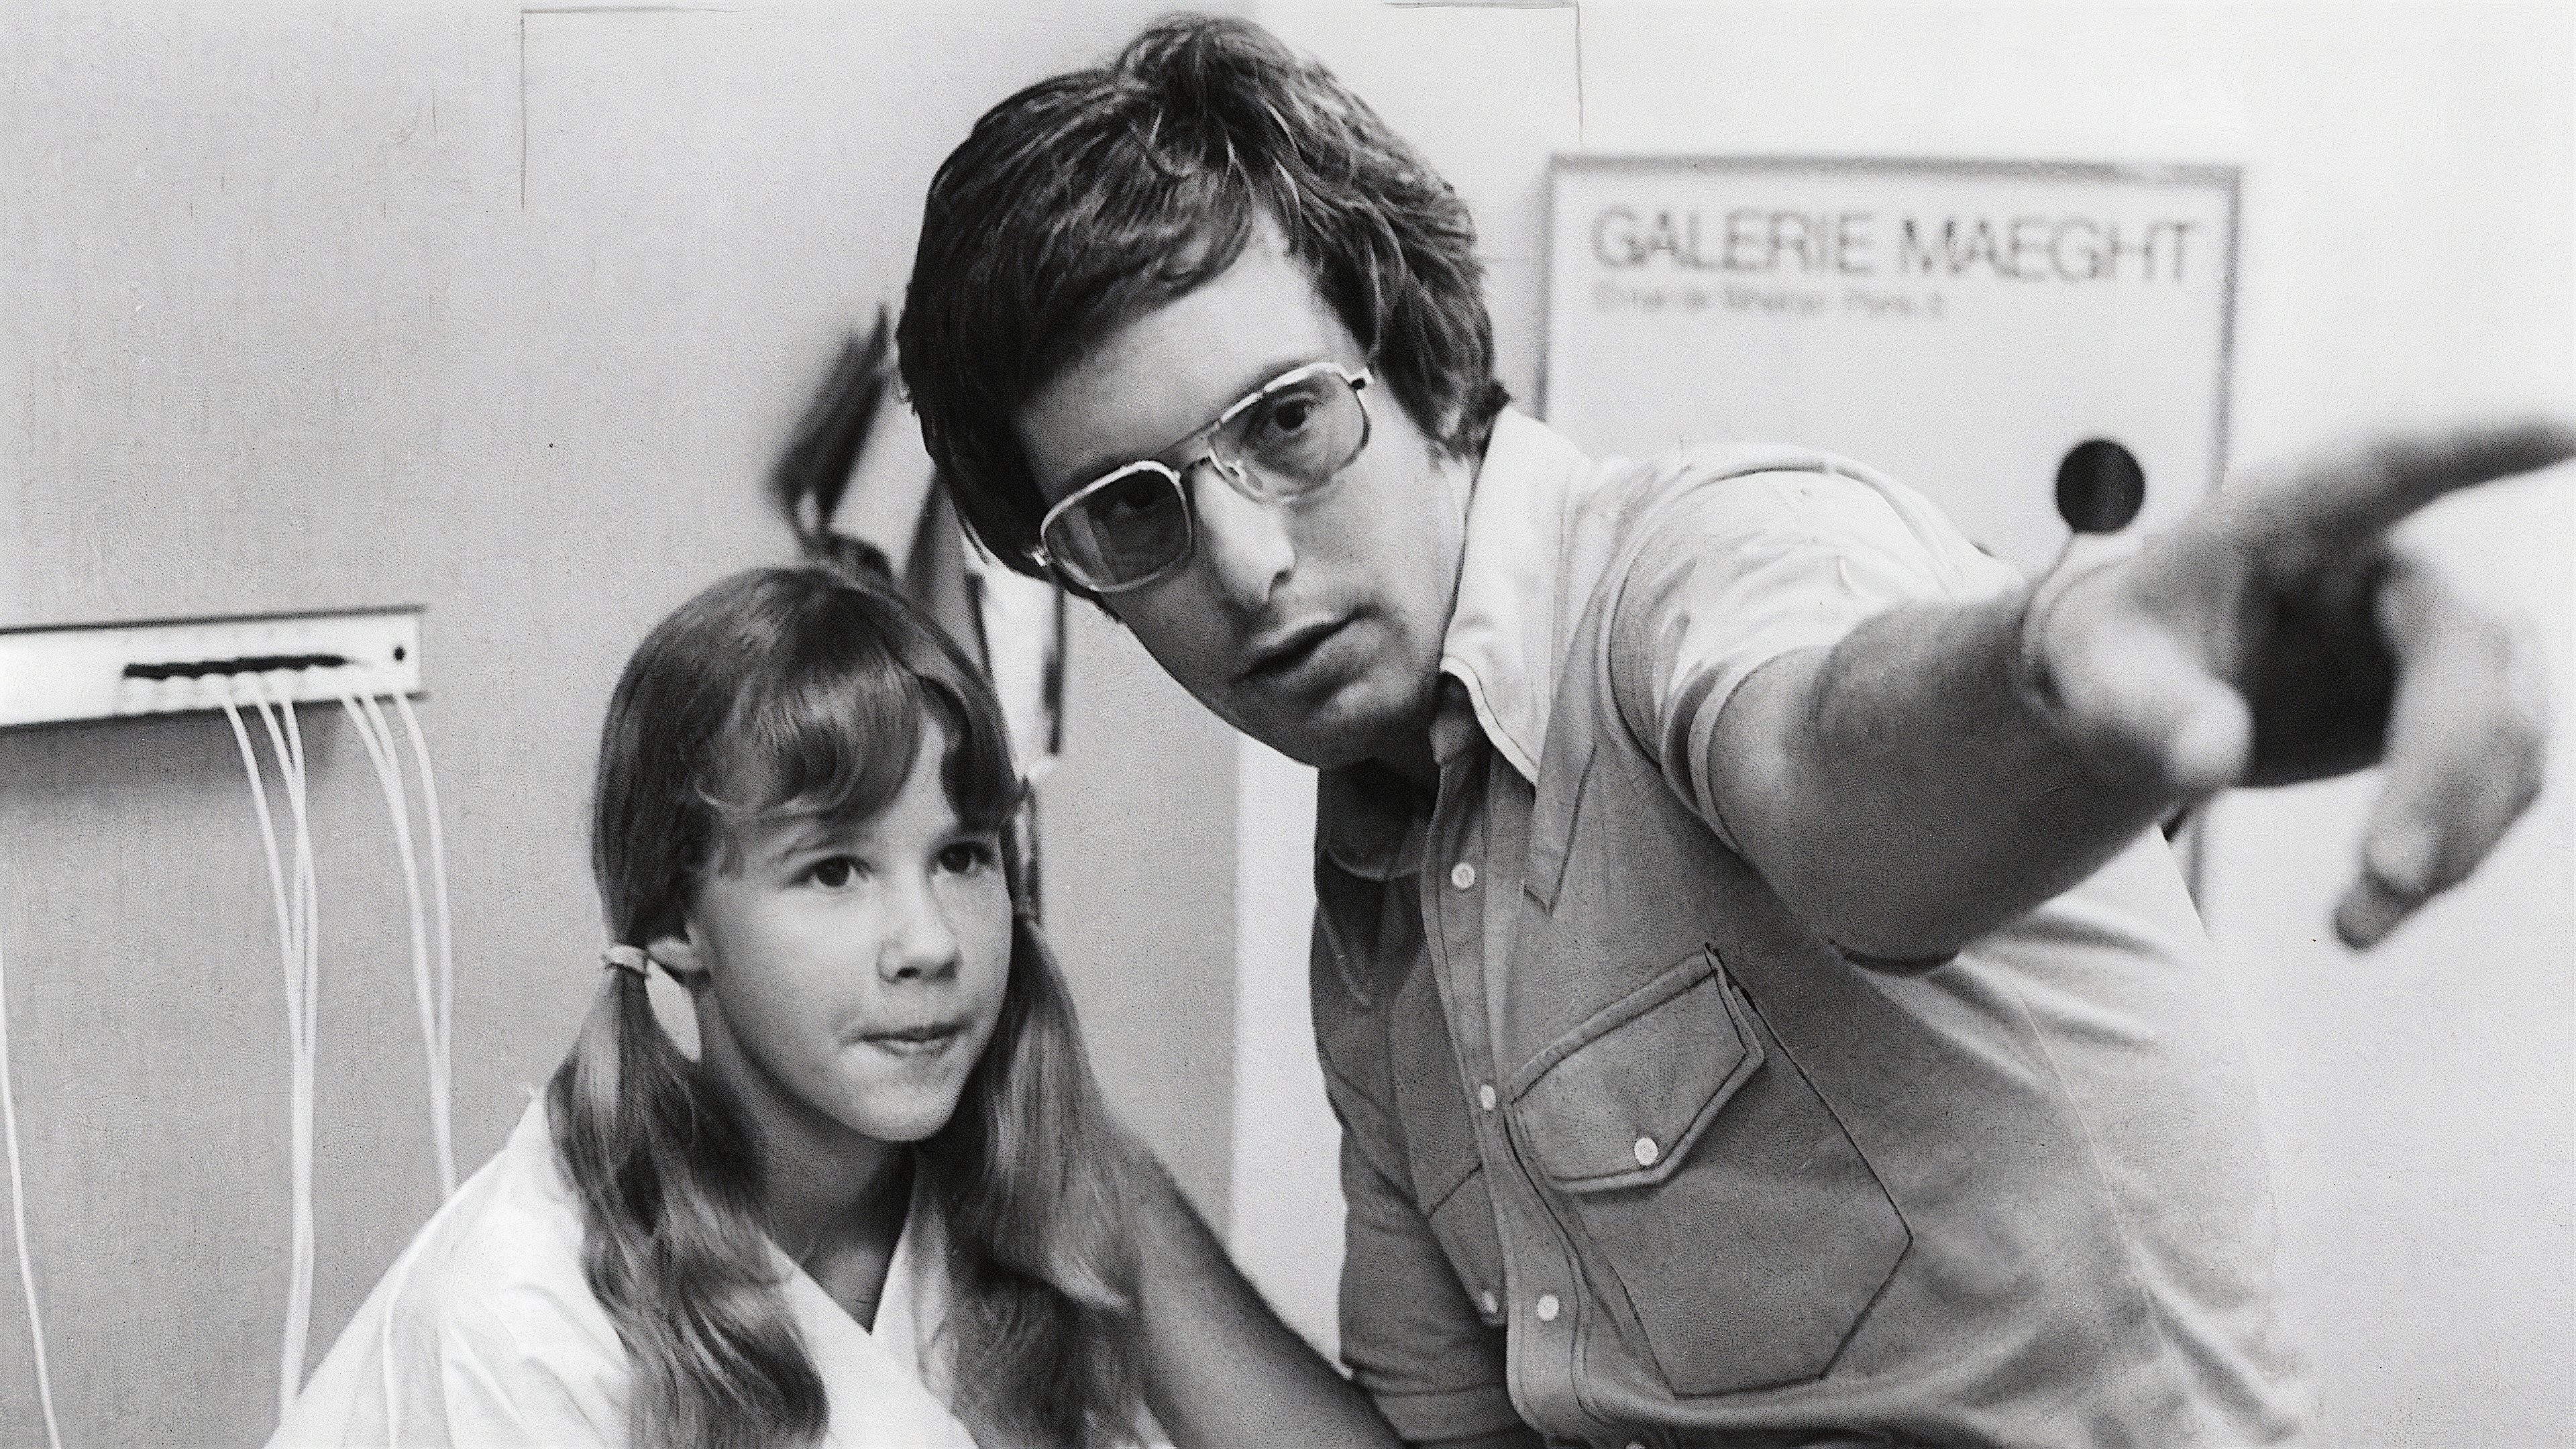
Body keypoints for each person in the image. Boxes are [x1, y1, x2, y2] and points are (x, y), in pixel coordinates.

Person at [895, 15, 2573, 1449]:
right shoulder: (1380, 927)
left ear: (1412, 366)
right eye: (1133, 515)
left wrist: (2057, 671)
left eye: (1284, 423)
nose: (1247, 563)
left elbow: (1842, 783)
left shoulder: (1706, 565)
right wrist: (1078, 1163)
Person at [268, 560, 1400, 1449]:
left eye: (962, 855)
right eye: (834, 871)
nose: (930, 944)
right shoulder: (518, 1323)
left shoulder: (1026, 1189)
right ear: (675, 920)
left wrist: (1109, 1188)